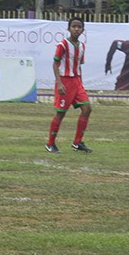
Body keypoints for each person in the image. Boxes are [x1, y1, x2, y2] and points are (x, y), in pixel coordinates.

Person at [46, 16, 92, 154]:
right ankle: (50, 144)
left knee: (87, 108)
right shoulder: (63, 45)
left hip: (76, 82)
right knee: (61, 113)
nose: (76, 29)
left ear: (83, 30)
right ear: (69, 28)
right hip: (65, 81)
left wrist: (81, 82)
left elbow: (78, 66)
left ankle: (77, 143)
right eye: (74, 26)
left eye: (79, 27)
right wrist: (59, 83)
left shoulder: (82, 46)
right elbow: (55, 64)